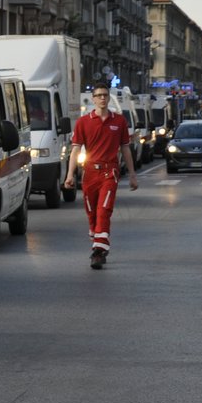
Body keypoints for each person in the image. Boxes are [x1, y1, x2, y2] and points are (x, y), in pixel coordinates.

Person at [62, 82, 138, 270]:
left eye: (105, 95)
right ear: (93, 99)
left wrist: (133, 175)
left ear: (108, 98)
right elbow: (75, 150)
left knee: (104, 209)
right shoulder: (83, 122)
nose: (103, 98)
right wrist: (70, 175)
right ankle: (98, 241)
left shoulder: (119, 121)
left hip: (109, 172)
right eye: (99, 95)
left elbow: (125, 149)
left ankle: (99, 251)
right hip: (89, 173)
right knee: (92, 212)